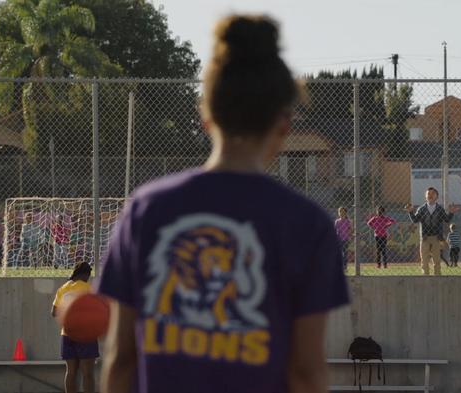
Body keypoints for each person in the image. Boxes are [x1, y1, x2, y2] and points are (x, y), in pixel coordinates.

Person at [95, 14, 349, 393]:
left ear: (206, 113)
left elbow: (121, 358)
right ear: (284, 125)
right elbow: (305, 372)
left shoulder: (147, 209)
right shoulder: (307, 224)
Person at [52, 262, 97, 393]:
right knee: (87, 372)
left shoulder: (63, 288)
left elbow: (54, 312)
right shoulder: (89, 288)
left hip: (67, 334)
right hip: (86, 334)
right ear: (86, 275)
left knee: (71, 372)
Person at [406, 187, 457, 276]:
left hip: (436, 237)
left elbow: (447, 219)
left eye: (433, 194)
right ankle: (425, 276)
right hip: (425, 238)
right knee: (424, 260)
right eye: (428, 194)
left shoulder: (439, 209)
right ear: (425, 196)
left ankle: (437, 277)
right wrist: (410, 212)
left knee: (437, 259)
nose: (430, 195)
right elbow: (415, 220)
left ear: (437, 197)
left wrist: (451, 213)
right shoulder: (421, 209)